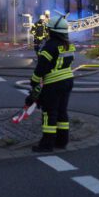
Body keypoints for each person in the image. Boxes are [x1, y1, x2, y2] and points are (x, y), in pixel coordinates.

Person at [26, 13, 75, 153]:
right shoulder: (68, 45)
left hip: (54, 83)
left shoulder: (49, 46)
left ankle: (47, 144)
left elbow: (41, 68)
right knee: (62, 112)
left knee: (49, 113)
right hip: (68, 81)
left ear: (52, 31)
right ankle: (62, 141)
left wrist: (33, 83)